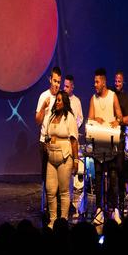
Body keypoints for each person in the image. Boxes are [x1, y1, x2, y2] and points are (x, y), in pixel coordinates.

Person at [88, 68, 123, 225]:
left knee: (114, 177)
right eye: (94, 81)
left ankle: (114, 210)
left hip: (111, 145)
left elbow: (120, 115)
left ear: (103, 82)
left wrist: (118, 120)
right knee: (99, 178)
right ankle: (99, 210)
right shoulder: (93, 99)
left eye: (97, 81)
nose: (95, 84)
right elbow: (90, 120)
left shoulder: (112, 96)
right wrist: (96, 118)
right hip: (98, 148)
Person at [45, 91, 79, 228]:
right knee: (50, 190)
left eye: (60, 100)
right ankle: (53, 220)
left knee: (64, 191)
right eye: (57, 100)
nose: (57, 102)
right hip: (51, 158)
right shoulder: (52, 116)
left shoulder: (69, 117)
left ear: (65, 102)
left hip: (65, 158)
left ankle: (63, 220)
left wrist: (76, 161)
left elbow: (74, 140)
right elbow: (47, 135)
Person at [35, 66, 61, 213]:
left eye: (59, 82)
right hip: (44, 142)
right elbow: (37, 120)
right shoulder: (43, 96)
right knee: (46, 175)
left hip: (57, 143)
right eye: (55, 81)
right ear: (50, 80)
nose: (56, 84)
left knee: (57, 175)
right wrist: (44, 108)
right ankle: (46, 205)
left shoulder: (61, 98)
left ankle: (56, 206)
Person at [63, 74, 84, 217]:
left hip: (72, 139)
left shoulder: (76, 101)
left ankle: (70, 203)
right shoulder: (61, 100)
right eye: (64, 85)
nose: (65, 88)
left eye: (67, 86)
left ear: (72, 87)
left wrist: (74, 126)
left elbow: (80, 118)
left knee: (71, 172)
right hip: (62, 140)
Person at [112, 70, 128, 213]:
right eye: (115, 81)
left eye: (119, 81)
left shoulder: (126, 98)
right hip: (109, 137)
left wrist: (117, 121)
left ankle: (121, 202)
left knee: (120, 169)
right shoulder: (111, 95)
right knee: (111, 171)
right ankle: (112, 205)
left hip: (121, 138)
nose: (117, 83)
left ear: (123, 82)